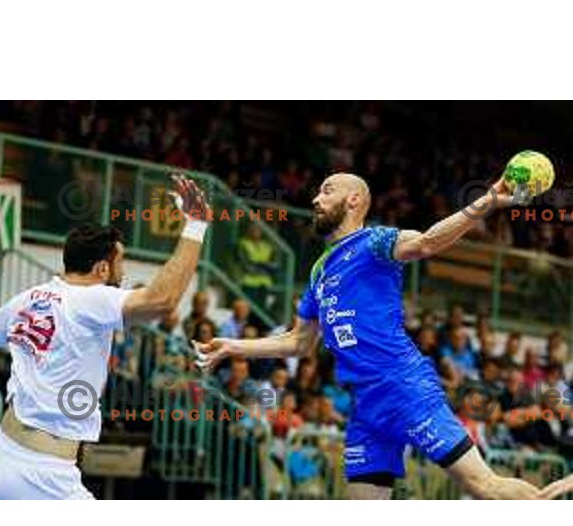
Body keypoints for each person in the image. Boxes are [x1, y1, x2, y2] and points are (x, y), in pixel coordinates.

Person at [196, 172, 573, 499]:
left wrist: (487, 201)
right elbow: (299, 341)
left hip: (405, 389)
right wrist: (233, 345)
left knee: (485, 487)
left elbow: (427, 242)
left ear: (354, 199)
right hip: (366, 407)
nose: (315, 198)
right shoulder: (318, 271)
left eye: (327, 190)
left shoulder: (375, 242)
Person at [0, 174, 211, 500]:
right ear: (101, 269)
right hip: (41, 478)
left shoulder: (28, 298)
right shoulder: (92, 298)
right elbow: (163, 300)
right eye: (120, 264)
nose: (123, 274)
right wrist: (196, 224)